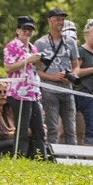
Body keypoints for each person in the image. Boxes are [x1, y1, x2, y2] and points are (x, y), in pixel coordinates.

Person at [34, 8, 80, 145]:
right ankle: (51, 157)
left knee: (71, 129)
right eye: (57, 19)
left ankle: (73, 159)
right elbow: (37, 71)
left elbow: (76, 66)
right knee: (52, 128)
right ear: (49, 21)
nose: (60, 22)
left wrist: (72, 75)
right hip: (49, 91)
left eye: (62, 19)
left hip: (67, 90)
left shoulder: (70, 42)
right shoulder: (40, 43)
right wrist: (53, 77)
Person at [3, 16, 46, 158]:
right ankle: (18, 157)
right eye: (25, 29)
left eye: (30, 30)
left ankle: (42, 158)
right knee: (22, 129)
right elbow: (8, 68)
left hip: (33, 93)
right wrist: (27, 60)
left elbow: (36, 70)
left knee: (38, 129)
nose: (27, 33)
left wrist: (38, 63)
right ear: (18, 30)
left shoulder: (33, 48)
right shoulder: (11, 47)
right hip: (18, 93)